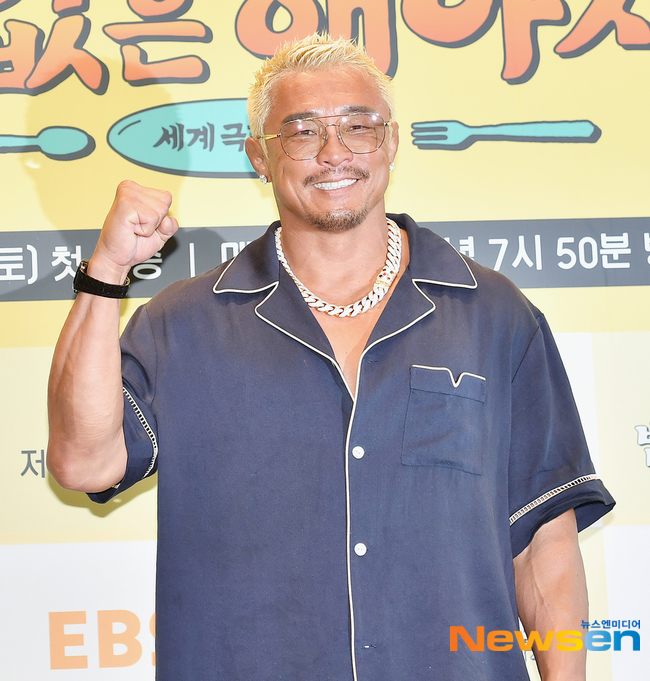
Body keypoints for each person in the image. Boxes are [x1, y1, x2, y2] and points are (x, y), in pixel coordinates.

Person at [48, 33, 614, 681]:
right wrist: (108, 271)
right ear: (259, 157)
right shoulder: (181, 324)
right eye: (302, 131)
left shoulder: (495, 315)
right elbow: (83, 462)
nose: (334, 151)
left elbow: (544, 545)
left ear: (391, 142)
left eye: (358, 126)